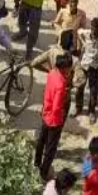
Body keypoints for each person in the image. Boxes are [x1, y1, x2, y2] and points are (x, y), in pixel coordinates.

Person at [35, 52, 73, 180]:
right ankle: (44, 172)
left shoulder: (52, 73)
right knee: (50, 149)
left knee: (41, 140)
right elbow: (57, 107)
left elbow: (47, 93)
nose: (70, 70)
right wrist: (61, 116)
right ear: (65, 68)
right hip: (54, 120)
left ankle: (36, 163)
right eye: (69, 68)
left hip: (46, 113)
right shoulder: (61, 83)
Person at [75, 17, 98, 124]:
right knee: (79, 88)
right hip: (84, 65)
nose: (93, 32)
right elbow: (78, 32)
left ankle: (91, 111)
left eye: (95, 30)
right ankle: (78, 108)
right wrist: (82, 43)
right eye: (92, 29)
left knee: (93, 91)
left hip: (95, 67)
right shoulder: (86, 33)